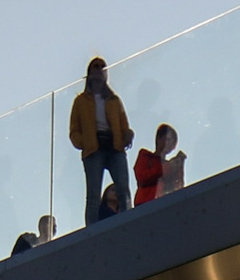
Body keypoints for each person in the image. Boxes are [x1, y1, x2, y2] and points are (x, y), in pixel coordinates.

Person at [67, 56, 134, 222]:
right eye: (95, 67)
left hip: (114, 146)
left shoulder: (113, 100)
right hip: (94, 148)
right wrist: (84, 143)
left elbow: (124, 124)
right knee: (93, 196)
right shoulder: (80, 101)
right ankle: (91, 229)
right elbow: (74, 130)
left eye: (102, 68)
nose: (98, 70)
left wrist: (127, 135)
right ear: (89, 74)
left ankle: (129, 221)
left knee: (123, 189)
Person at [135, 123, 180, 204]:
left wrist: (179, 167)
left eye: (173, 143)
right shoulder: (145, 156)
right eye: (168, 139)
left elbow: (177, 186)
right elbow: (142, 177)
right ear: (159, 138)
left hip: (166, 203)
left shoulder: (170, 164)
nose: (170, 144)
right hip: (146, 203)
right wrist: (168, 167)